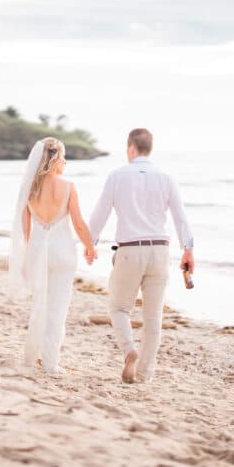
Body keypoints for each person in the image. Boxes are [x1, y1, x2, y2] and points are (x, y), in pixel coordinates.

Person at [86, 128, 195, 383]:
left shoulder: (117, 176)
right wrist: (188, 249)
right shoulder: (166, 178)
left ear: (131, 147)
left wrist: (91, 244)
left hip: (129, 251)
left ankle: (129, 350)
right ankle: (144, 376)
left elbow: (100, 213)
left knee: (119, 308)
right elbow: (180, 217)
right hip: (160, 250)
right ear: (150, 148)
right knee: (153, 317)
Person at [9, 138, 97, 374]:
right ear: (58, 158)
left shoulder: (29, 188)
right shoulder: (68, 186)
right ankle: (50, 363)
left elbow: (25, 228)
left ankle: (31, 356)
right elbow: (78, 223)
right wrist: (90, 247)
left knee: (40, 304)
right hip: (63, 253)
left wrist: (32, 251)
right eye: (64, 158)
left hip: (38, 251)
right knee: (58, 309)